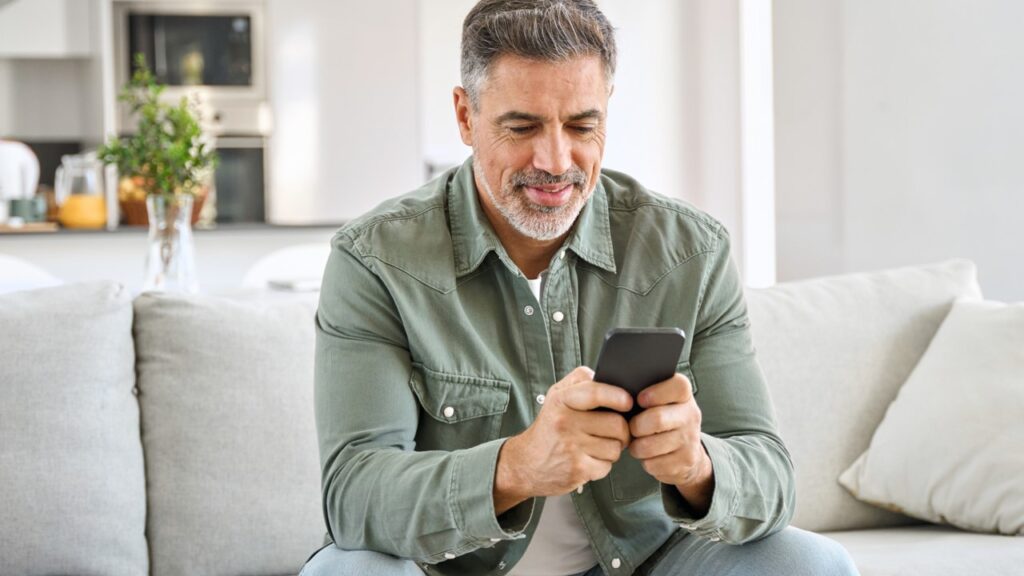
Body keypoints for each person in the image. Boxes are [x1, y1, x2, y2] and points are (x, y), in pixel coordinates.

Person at [303, 1, 860, 575]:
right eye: (521, 127)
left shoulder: (691, 252)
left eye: (581, 126)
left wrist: (698, 467)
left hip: (648, 563)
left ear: (607, 114)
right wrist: (515, 467)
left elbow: (769, 473)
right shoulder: (375, 260)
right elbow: (354, 495)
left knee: (811, 563)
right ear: (465, 116)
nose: (555, 160)